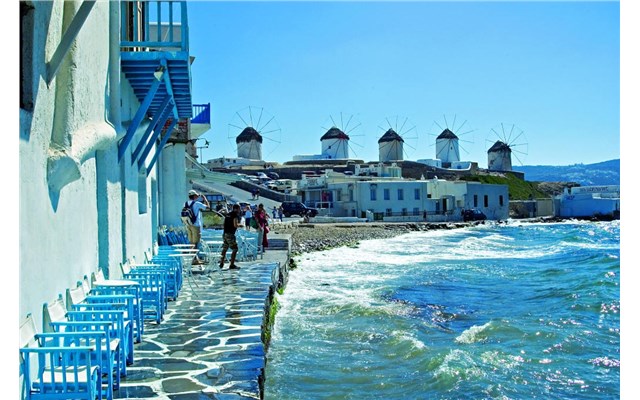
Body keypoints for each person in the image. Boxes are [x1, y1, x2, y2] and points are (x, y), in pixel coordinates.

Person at [184, 190, 210, 264]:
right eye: (196, 195)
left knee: (191, 242)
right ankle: (195, 259)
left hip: (188, 225)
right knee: (196, 243)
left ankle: (194, 258)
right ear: (194, 196)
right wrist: (205, 199)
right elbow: (208, 207)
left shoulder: (185, 203)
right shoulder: (197, 203)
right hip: (195, 225)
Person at [220, 204, 241, 270]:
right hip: (230, 234)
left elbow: (224, 224)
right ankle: (232, 264)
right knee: (235, 249)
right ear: (236, 209)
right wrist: (240, 225)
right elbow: (235, 225)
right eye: (239, 209)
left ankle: (221, 263)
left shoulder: (228, 214)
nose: (239, 210)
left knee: (225, 248)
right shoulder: (235, 215)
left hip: (225, 233)